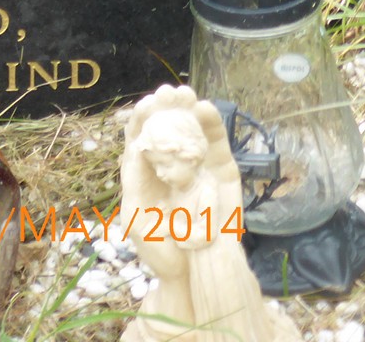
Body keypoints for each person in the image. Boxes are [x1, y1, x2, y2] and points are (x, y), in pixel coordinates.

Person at [120, 87, 298, 342]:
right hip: (196, 263)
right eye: (155, 166)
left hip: (213, 264)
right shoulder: (178, 188)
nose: (159, 174)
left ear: (190, 157)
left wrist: (171, 226)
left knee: (219, 321)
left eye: (165, 165)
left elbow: (203, 235)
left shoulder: (206, 191)